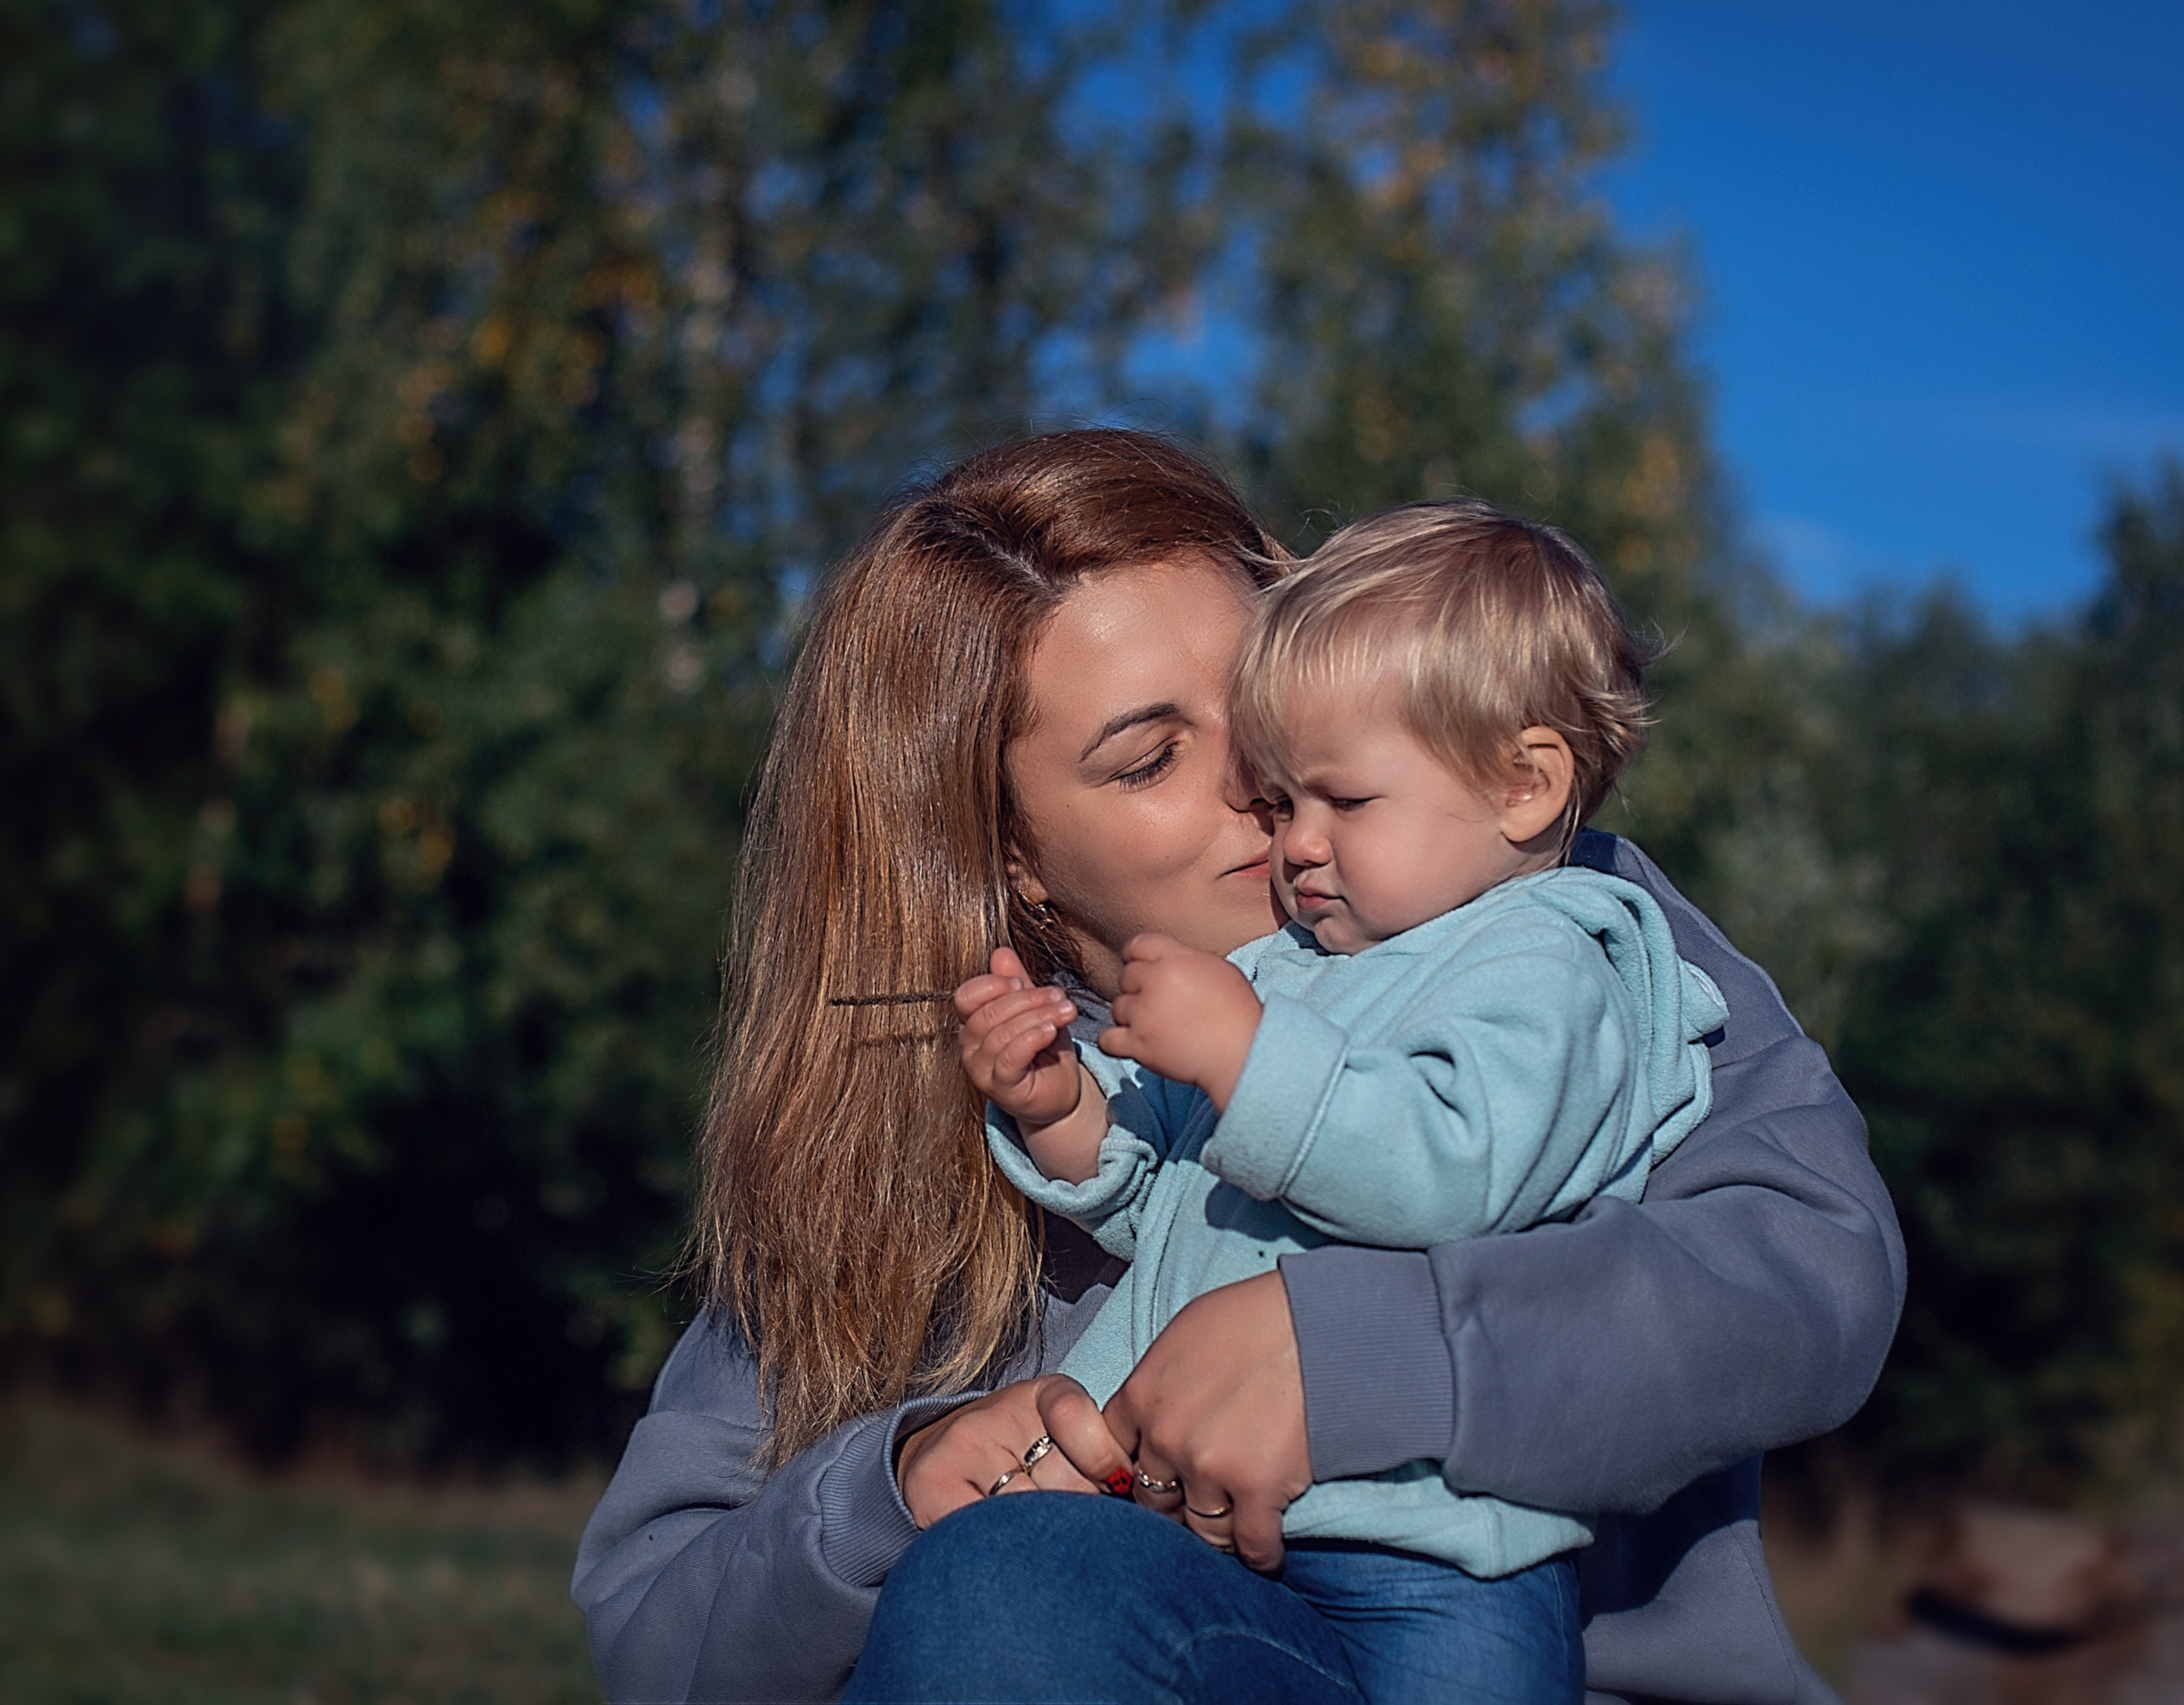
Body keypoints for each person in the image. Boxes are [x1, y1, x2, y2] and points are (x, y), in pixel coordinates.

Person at [572, 430, 1906, 1705]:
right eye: (1153, 754)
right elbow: (653, 1638)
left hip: (1507, 1645)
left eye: (1266, 700)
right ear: (1009, 857)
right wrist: (897, 1483)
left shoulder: (1544, 916)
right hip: (1092, 1632)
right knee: (1011, 1583)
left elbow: (1811, 1271)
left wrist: (1369, 1355)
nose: (1262, 787)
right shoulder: (921, 1100)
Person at [956, 498, 1732, 1705]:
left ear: (1525, 785)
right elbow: (1172, 1202)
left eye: (1342, 802)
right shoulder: (1301, 964)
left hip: (1432, 1541)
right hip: (1195, 1514)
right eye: (1288, 794)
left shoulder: (1547, 962)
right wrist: (1058, 1102)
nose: (1291, 839)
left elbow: (1460, 1172)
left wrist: (1249, 1056)